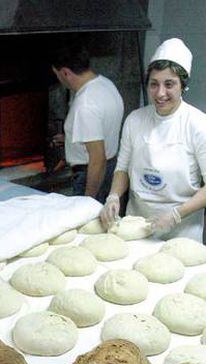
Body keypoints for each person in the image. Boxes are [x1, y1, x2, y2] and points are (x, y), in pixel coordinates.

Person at [100, 38, 206, 241]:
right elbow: (122, 168)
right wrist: (113, 196)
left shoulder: (198, 124)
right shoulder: (135, 120)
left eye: (169, 84)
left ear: (183, 86)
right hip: (135, 228)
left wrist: (176, 215)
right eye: (154, 84)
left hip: (182, 232)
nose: (160, 93)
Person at [51, 45, 124, 203]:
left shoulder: (85, 105)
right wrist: (70, 138)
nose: (58, 79)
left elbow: (98, 158)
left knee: (87, 224)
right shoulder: (105, 84)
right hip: (112, 167)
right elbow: (101, 128)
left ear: (65, 72)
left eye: (57, 75)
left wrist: (88, 200)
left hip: (91, 174)